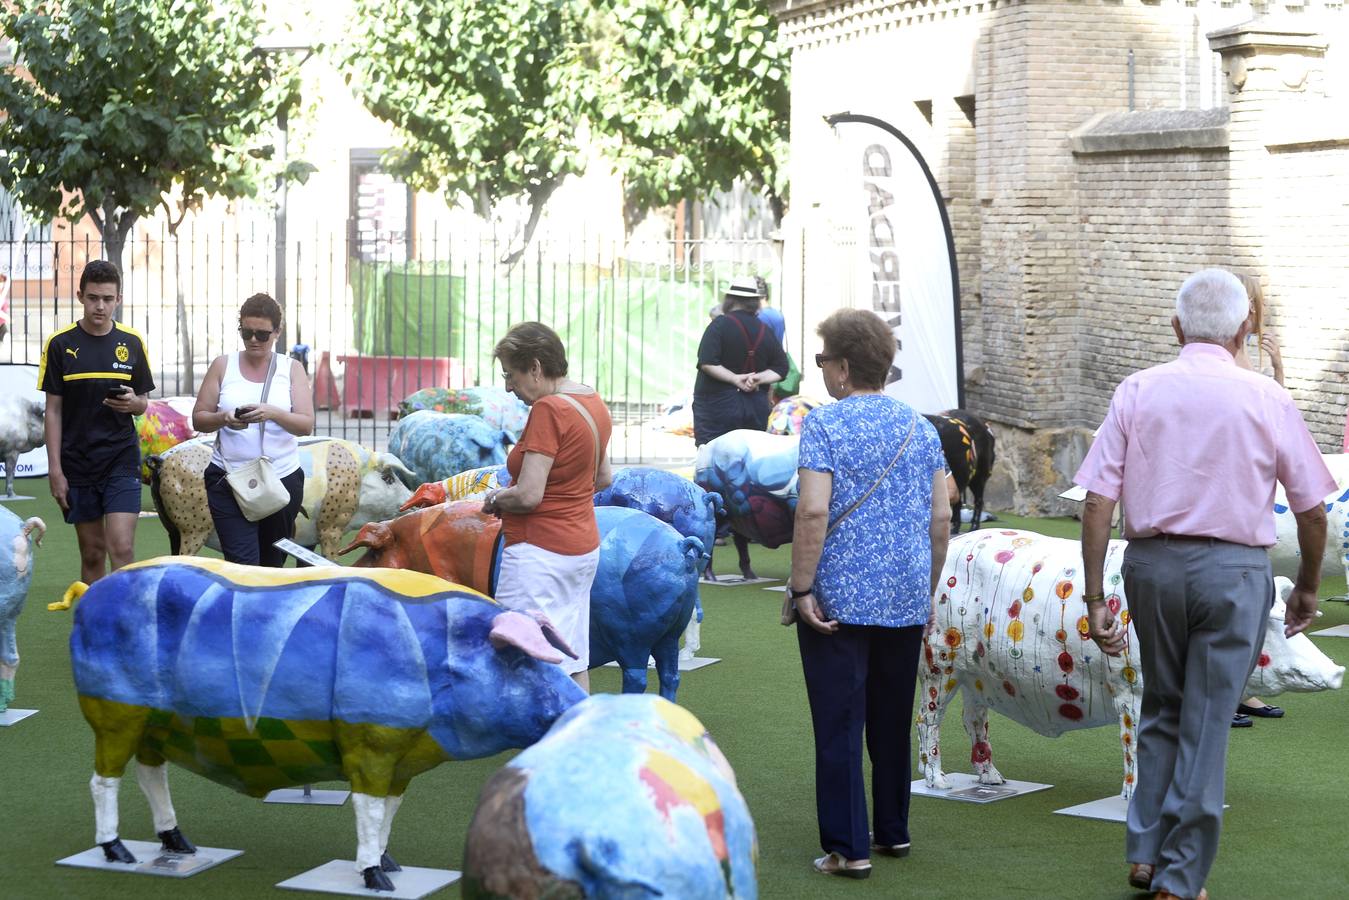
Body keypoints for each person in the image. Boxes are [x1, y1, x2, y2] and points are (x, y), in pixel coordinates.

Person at [1075, 268, 1334, 900]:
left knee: (1163, 705)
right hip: (1233, 571)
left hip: (1152, 566)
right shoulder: (1268, 397)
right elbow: (1312, 509)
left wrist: (1092, 597)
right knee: (1208, 721)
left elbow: (1096, 501)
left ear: (1175, 327)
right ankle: (1180, 876)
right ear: (1246, 328)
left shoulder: (1138, 389)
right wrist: (1305, 586)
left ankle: (1147, 853)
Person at [786, 308, 950, 880]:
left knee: (838, 721)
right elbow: (940, 519)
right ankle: (892, 832)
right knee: (888, 719)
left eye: (823, 359)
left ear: (844, 367)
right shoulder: (922, 428)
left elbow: (812, 510)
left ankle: (847, 847)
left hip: (838, 599)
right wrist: (926, 589)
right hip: (905, 594)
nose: (822, 369)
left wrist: (800, 587)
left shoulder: (826, 425)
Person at [483, 322, 613, 692]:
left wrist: (494, 499)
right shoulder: (591, 400)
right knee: (572, 657)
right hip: (581, 548)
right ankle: (576, 739)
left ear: (535, 368)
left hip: (540, 554)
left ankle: (541, 743)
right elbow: (603, 478)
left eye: (511, 374)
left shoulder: (548, 410)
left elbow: (528, 495)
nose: (508, 386)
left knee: (521, 659)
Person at [40, 260, 155, 585]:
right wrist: (55, 470)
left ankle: (121, 629)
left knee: (122, 547)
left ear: (118, 299)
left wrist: (135, 404)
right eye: (93, 298)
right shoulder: (60, 344)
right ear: (80, 296)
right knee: (92, 551)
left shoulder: (132, 342)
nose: (100, 306)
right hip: (77, 461)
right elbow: (54, 411)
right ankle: (95, 629)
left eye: (107, 298)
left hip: (120, 458)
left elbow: (144, 403)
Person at [192, 293, 313, 567]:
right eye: (247, 333)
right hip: (228, 478)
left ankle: (264, 610)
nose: (254, 340)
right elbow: (199, 419)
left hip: (280, 479)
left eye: (262, 334)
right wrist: (225, 418)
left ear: (277, 332)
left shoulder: (291, 369)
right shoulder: (224, 365)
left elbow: (306, 424)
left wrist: (273, 413)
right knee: (242, 565)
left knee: (271, 566)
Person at [693, 275, 790, 578]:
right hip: (753, 408)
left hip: (718, 407)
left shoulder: (719, 326)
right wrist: (756, 378)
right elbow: (781, 368)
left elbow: (706, 361)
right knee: (743, 478)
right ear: (755, 302)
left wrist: (735, 378)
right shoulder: (764, 330)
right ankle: (745, 552)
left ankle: (714, 536)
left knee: (712, 474)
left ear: (729, 299)